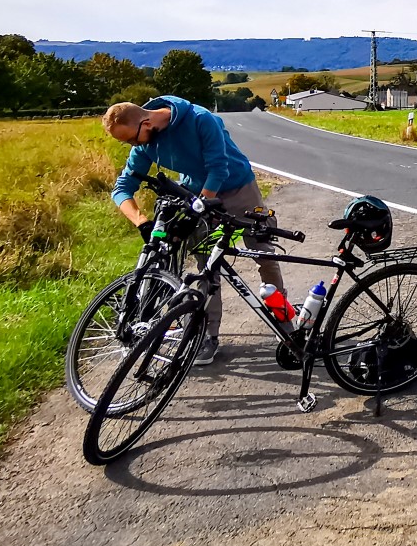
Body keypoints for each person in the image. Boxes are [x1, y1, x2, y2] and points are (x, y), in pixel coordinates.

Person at [103, 96, 286, 365]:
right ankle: (206, 335)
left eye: (131, 139)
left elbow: (218, 169)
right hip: (197, 191)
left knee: (264, 254)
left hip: (239, 189)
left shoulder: (201, 119)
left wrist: (200, 208)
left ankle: (283, 320)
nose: (133, 146)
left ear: (146, 120)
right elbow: (122, 189)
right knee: (205, 266)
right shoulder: (145, 143)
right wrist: (141, 221)